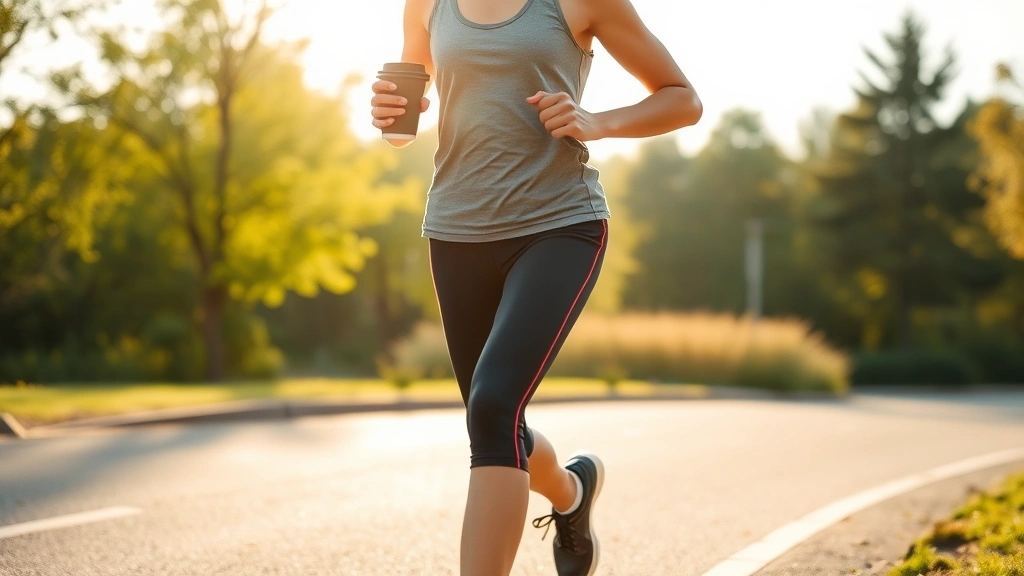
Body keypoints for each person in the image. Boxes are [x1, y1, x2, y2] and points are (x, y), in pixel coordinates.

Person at [370, 0, 701, 573]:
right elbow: (406, 124)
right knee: (494, 414)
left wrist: (596, 122)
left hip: (559, 225)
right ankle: (571, 493)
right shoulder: (426, 4)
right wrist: (393, 112)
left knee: (494, 404)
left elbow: (682, 99)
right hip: (456, 231)